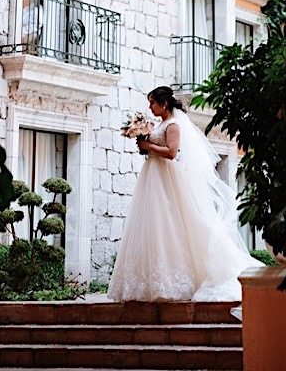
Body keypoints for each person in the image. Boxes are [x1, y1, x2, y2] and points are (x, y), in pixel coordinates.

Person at [107, 86, 262, 301]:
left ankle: (172, 281)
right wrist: (143, 143)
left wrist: (148, 145)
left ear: (164, 104)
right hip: (151, 175)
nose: (150, 107)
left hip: (165, 176)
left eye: (152, 103)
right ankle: (146, 282)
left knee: (169, 224)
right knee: (152, 224)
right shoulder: (158, 124)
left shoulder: (173, 125)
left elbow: (171, 153)